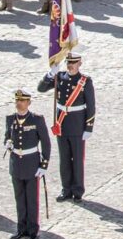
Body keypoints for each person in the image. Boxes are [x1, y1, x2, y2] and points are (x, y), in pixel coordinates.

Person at [37, 52, 96, 203]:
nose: (70, 65)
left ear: (79, 64)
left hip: (77, 124)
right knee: (64, 159)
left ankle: (77, 190)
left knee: (77, 159)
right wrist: (51, 74)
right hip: (62, 124)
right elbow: (41, 89)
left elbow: (91, 106)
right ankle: (66, 188)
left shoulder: (85, 81)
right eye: (69, 62)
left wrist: (88, 127)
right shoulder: (60, 78)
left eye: (73, 63)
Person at [5, 89, 51, 239]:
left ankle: (32, 229)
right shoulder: (11, 119)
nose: (19, 103)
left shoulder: (36, 119)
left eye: (22, 101)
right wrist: (7, 143)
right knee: (19, 198)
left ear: (28, 103)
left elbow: (45, 142)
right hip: (16, 164)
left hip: (31, 162)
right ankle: (21, 228)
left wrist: (43, 164)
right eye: (17, 100)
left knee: (31, 199)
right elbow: (7, 136)